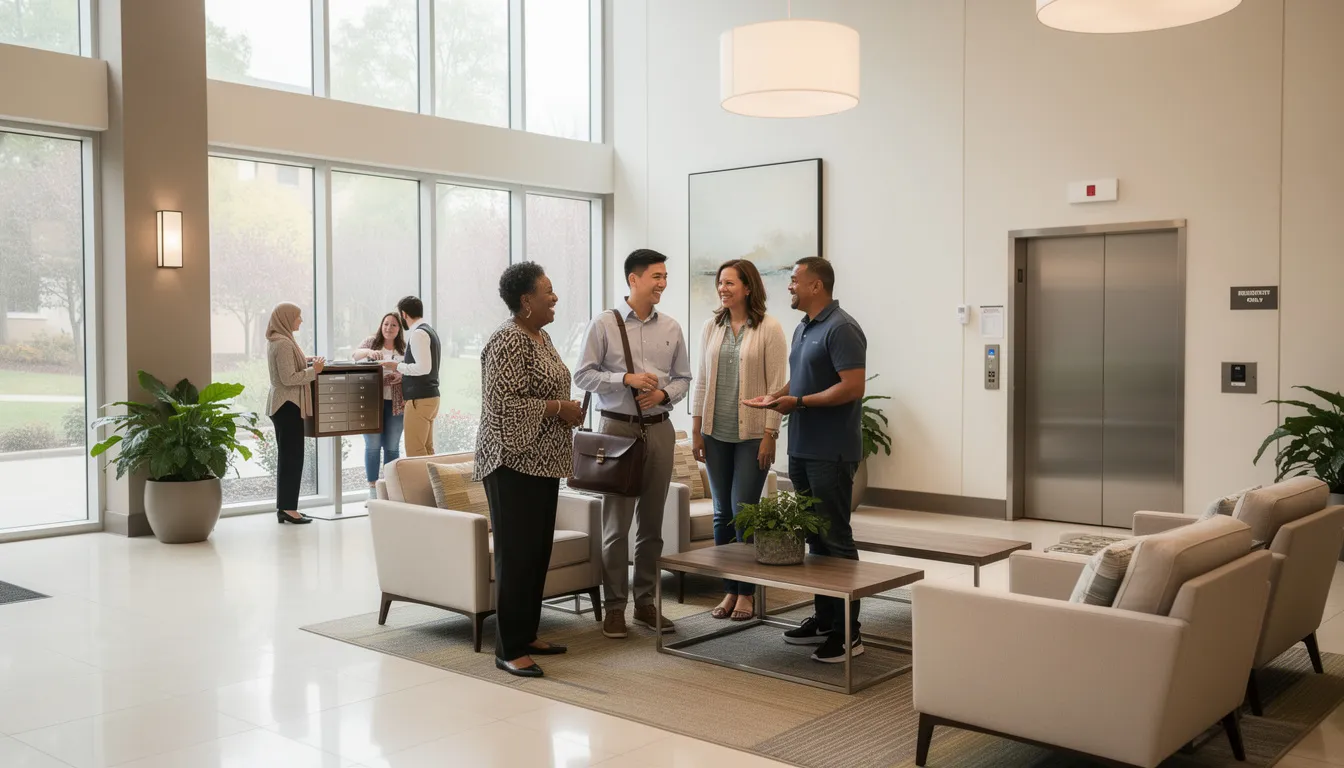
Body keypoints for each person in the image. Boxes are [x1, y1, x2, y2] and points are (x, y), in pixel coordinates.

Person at [744, 257, 868, 663]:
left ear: (817, 286)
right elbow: (800, 382)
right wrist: (777, 397)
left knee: (835, 537)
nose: (789, 287)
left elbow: (851, 388)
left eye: (795, 281)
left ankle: (850, 632)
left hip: (831, 452)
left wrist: (796, 402)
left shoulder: (842, 328)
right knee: (814, 538)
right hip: (801, 449)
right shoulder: (804, 327)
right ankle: (825, 618)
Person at [575, 249, 692, 640]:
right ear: (633, 279)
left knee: (652, 523)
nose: (662, 283)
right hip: (617, 431)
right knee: (616, 526)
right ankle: (614, 608)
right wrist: (625, 379)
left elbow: (683, 379)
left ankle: (645, 603)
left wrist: (663, 396)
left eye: (664, 277)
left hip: (660, 429)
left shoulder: (672, 327)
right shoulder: (604, 324)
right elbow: (584, 376)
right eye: (656, 276)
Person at [474, 263, 585, 678]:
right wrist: (559, 408)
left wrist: (566, 410)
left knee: (537, 553)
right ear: (526, 301)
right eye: (548, 291)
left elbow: (546, 389)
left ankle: (527, 632)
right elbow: (502, 406)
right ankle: (508, 648)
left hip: (543, 463)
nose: (555, 297)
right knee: (516, 555)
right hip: (511, 463)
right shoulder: (507, 340)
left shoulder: (542, 336)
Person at [690, 259, 788, 622]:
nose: (722, 288)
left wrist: (770, 434)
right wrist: (698, 428)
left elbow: (777, 386)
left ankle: (746, 592)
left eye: (729, 283)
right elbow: (702, 380)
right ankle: (728, 589)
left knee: (743, 510)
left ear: (748, 287)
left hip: (752, 436)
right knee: (721, 513)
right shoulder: (710, 327)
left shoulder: (769, 328)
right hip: (716, 433)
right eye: (720, 283)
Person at [265, 302, 324, 525]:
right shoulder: (282, 344)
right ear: (286, 318)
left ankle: (288, 508)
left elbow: (288, 368)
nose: (300, 320)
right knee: (292, 458)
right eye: (297, 317)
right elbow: (288, 378)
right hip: (287, 405)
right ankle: (288, 509)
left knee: (290, 458)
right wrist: (314, 371)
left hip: (284, 406)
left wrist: (307, 361)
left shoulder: (280, 340)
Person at [353, 313, 406, 498]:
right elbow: (355, 355)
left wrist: (400, 376)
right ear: (381, 325)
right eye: (386, 324)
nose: (389, 328)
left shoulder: (405, 348)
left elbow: (412, 371)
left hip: (396, 404)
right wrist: (369, 353)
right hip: (371, 403)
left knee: (392, 446)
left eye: (393, 325)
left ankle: (390, 490)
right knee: (372, 445)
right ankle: (373, 492)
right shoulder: (371, 342)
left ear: (399, 329)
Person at [381, 296, 439, 457]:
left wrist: (396, 366)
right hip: (430, 397)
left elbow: (423, 368)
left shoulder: (418, 334)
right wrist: (403, 376)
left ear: (404, 314)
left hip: (419, 400)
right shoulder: (430, 331)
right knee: (426, 449)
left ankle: (420, 483)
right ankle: (431, 483)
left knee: (415, 451)